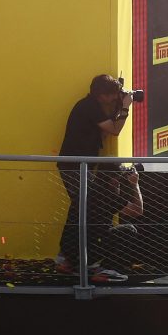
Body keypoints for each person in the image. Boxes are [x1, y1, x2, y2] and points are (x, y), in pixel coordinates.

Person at [54, 72, 136, 285]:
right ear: (101, 95)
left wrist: (119, 105)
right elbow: (114, 130)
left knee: (83, 208)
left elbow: (108, 129)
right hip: (74, 166)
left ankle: (75, 257)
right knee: (81, 208)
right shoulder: (88, 107)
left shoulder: (92, 105)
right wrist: (126, 107)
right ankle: (68, 257)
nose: (114, 98)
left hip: (82, 166)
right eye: (112, 95)